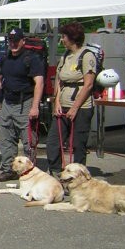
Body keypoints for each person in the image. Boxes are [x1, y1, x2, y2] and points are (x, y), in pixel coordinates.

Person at [0, 28, 45, 182]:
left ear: (23, 41)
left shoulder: (32, 58)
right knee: (6, 139)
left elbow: (39, 83)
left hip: (25, 102)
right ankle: (9, 169)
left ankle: (30, 171)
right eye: (11, 41)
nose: (13, 44)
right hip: (8, 102)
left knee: (28, 140)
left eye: (16, 41)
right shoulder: (5, 59)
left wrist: (35, 106)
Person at [46, 21, 97, 176]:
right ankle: (55, 171)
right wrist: (56, 102)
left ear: (73, 38)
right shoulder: (66, 55)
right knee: (53, 141)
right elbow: (59, 80)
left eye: (64, 36)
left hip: (81, 107)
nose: (62, 39)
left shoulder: (87, 55)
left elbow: (88, 85)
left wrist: (75, 108)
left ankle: (78, 176)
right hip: (63, 105)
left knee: (77, 144)